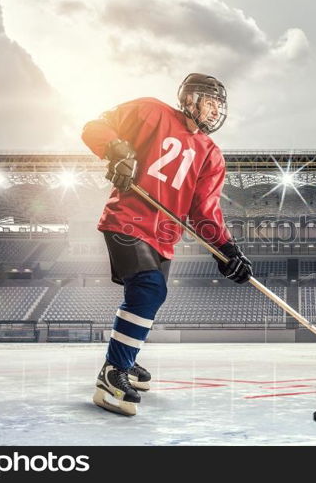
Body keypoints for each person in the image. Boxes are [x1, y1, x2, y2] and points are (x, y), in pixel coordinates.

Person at [81, 73, 253, 416]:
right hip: (126, 219)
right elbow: (94, 126)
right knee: (148, 289)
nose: (215, 110)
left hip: (164, 238)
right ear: (190, 99)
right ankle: (112, 373)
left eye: (220, 105)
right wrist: (116, 148)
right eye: (210, 102)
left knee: (147, 295)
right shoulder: (151, 111)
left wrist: (228, 251)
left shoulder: (211, 155)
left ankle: (125, 361)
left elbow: (204, 212)